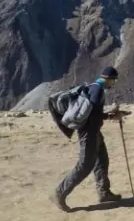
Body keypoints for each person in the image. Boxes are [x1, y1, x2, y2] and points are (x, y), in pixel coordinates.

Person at [52, 66, 124, 212]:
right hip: (88, 133)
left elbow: (92, 113)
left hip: (93, 131)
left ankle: (104, 193)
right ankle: (59, 193)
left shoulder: (93, 87)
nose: (113, 84)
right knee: (84, 166)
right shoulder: (97, 91)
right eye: (113, 81)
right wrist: (111, 115)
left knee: (102, 159)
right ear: (109, 79)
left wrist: (110, 114)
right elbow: (94, 116)